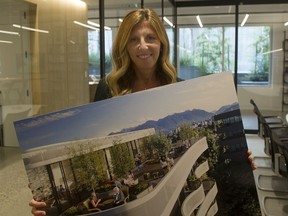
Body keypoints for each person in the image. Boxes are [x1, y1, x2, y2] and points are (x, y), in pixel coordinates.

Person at [29, 8, 256, 216]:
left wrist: (239, 161)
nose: (143, 46)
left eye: (150, 38)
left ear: (162, 44)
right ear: (124, 46)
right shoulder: (108, 88)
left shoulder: (179, 88)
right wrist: (45, 206)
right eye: (133, 39)